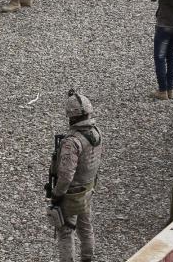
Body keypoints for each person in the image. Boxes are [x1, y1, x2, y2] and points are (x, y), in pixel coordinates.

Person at [51, 89, 103, 262]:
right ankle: (88, 258)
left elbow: (65, 175)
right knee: (86, 228)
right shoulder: (96, 133)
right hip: (88, 188)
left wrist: (57, 195)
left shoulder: (72, 142)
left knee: (66, 232)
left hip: (72, 194)